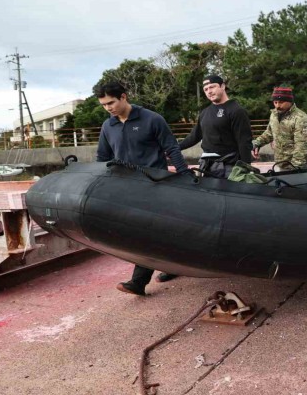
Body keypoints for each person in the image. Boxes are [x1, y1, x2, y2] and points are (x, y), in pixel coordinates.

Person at [94, 81, 190, 296]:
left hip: (155, 185)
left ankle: (139, 281)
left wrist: (184, 175)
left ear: (124, 97)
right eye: (103, 105)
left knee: (147, 232)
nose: (108, 108)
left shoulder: (152, 119)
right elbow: (102, 158)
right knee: (154, 232)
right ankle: (174, 265)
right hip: (126, 188)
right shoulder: (108, 126)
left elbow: (171, 148)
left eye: (111, 102)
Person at [179, 75, 253, 178]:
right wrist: (175, 148)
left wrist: (246, 169)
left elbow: (244, 142)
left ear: (222, 86)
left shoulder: (236, 111)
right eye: (206, 89)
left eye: (212, 87)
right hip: (207, 166)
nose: (209, 91)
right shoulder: (205, 112)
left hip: (229, 167)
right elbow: (194, 136)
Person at [251, 86, 307, 171]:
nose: (277, 106)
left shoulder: (300, 118)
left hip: (300, 166)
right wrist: (256, 143)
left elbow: (302, 146)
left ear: (290, 101)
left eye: (281, 102)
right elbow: (269, 133)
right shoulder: (274, 114)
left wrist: (294, 168)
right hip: (283, 163)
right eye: (275, 102)